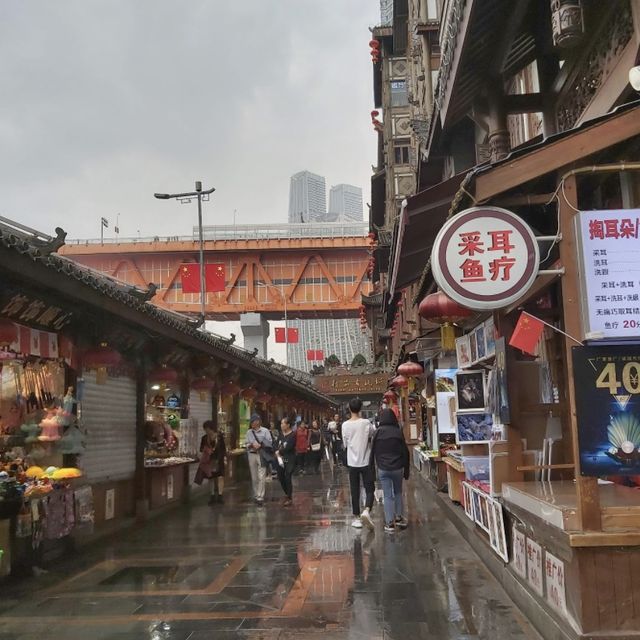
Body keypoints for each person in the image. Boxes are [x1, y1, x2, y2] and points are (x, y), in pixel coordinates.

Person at [371, 408, 410, 532]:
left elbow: (372, 453)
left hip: (383, 468)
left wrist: (371, 471)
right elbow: (405, 452)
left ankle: (389, 523)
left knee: (388, 495)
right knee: (398, 492)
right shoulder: (398, 432)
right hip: (398, 468)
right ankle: (399, 518)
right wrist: (407, 469)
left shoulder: (377, 433)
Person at [342, 398, 376, 530]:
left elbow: (345, 444)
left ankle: (356, 517)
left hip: (352, 462)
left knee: (354, 489)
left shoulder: (345, 425)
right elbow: (372, 434)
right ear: (361, 408)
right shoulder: (366, 423)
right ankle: (367, 509)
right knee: (369, 488)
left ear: (349, 409)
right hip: (366, 460)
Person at [194, 421, 227, 504]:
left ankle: (220, 495)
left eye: (208, 429)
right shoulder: (204, 438)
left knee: (220, 477)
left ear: (212, 428)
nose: (207, 431)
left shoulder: (219, 437)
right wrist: (206, 450)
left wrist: (224, 458)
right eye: (205, 429)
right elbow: (201, 449)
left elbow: (223, 448)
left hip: (219, 460)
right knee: (211, 478)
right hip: (209, 460)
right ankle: (212, 495)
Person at [245, 413, 273, 505]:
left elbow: (269, 442)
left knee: (262, 476)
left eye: (254, 421)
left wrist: (261, 444)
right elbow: (246, 444)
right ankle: (256, 494)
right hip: (251, 455)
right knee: (254, 477)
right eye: (251, 422)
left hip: (261, 454)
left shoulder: (265, 431)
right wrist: (251, 444)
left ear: (258, 422)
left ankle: (260, 496)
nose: (252, 423)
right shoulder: (249, 432)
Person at [276, 416, 296, 506]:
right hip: (280, 458)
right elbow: (276, 444)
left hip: (289, 458)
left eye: (283, 423)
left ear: (288, 425)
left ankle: (289, 497)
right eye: (281, 423)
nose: (281, 425)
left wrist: (279, 451)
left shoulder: (292, 435)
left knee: (288, 476)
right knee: (280, 476)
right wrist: (276, 451)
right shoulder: (280, 434)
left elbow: (289, 447)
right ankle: (287, 493)